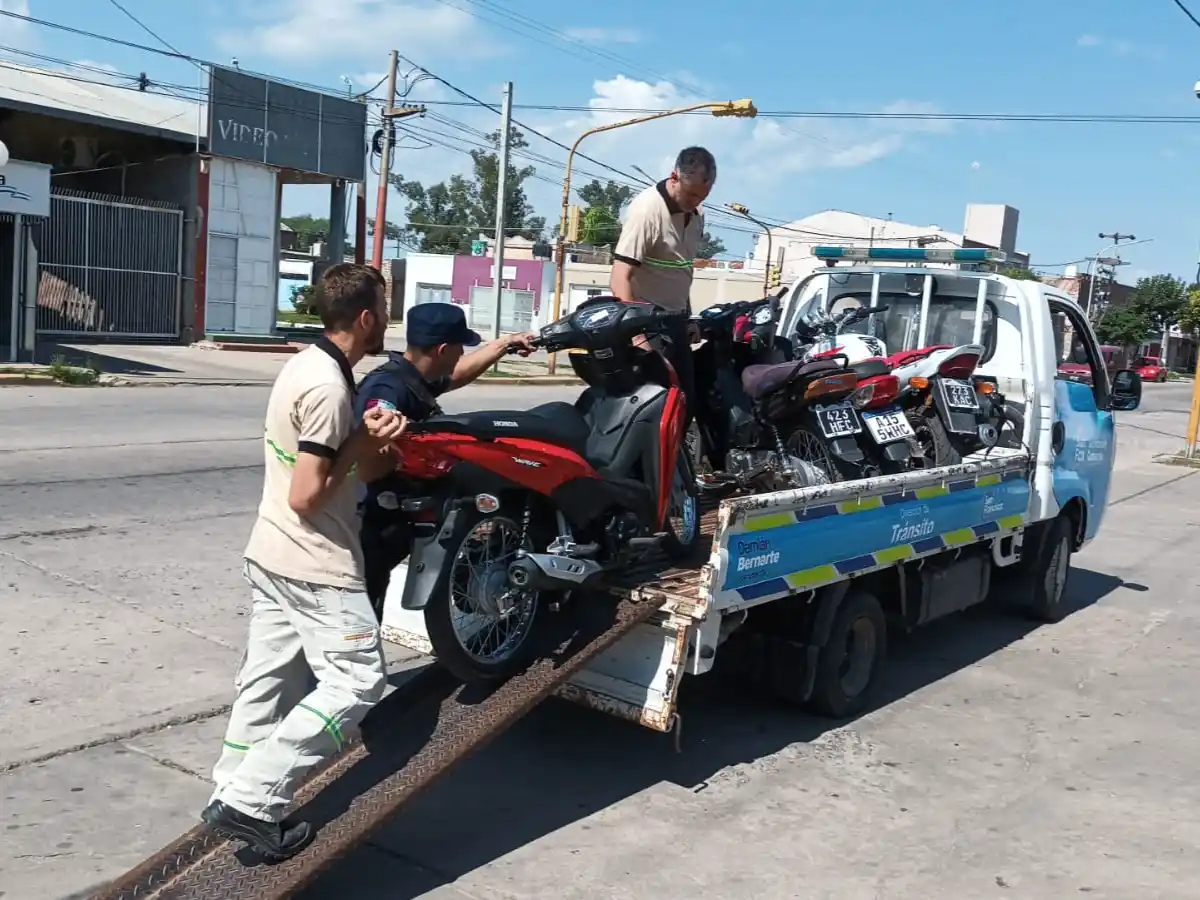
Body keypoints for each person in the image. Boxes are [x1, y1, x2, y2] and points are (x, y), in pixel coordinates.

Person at [202, 263, 409, 861]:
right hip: (313, 561)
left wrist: (371, 445)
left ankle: (232, 784)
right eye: (384, 309)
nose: (387, 320)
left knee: (270, 680)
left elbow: (355, 466)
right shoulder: (326, 387)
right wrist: (359, 446)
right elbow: (308, 493)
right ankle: (251, 800)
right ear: (367, 318)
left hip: (271, 549)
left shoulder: (310, 365)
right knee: (359, 679)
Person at [355, 303, 536, 619]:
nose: (460, 355)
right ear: (442, 349)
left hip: (393, 517)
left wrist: (503, 345)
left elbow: (457, 374)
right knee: (362, 609)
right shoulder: (388, 388)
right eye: (459, 347)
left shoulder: (415, 376)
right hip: (373, 522)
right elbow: (367, 461)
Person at [609, 145, 717, 426]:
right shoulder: (647, 210)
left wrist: (688, 316)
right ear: (674, 177)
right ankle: (643, 470)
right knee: (653, 412)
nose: (695, 202)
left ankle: (673, 469)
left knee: (685, 405)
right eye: (691, 194)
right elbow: (620, 276)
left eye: (702, 196)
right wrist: (636, 336)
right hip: (645, 326)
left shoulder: (697, 213)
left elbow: (682, 268)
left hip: (675, 322)